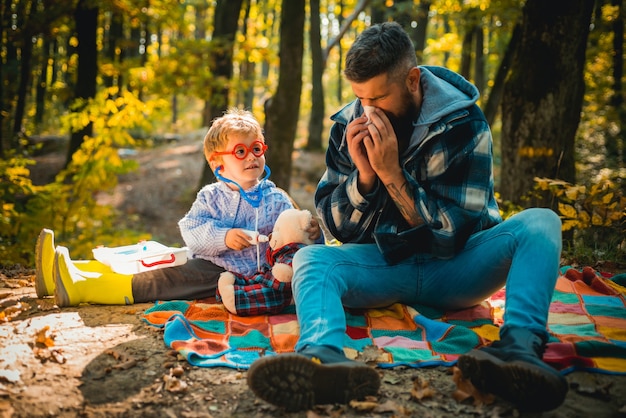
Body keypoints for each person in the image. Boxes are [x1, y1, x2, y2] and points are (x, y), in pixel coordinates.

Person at [246, 22, 567, 413]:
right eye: (361, 98)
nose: (369, 111)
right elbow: (336, 229)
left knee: (541, 222)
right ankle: (323, 360)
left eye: (380, 98)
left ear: (413, 80)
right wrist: (364, 179)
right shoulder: (350, 125)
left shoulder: (463, 123)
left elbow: (450, 237)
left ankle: (518, 350)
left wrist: (392, 174)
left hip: (459, 268)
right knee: (311, 259)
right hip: (383, 265)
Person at [36, 108, 321, 308]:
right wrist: (224, 237)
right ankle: (62, 272)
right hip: (211, 260)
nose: (251, 158)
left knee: (161, 280)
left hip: (229, 277)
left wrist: (312, 232)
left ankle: (80, 288)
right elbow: (191, 230)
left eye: (256, 148)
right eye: (240, 151)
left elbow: (297, 241)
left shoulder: (276, 198)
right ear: (217, 164)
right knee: (156, 260)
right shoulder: (211, 196)